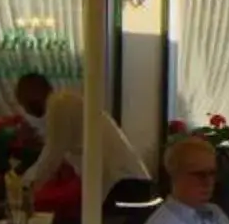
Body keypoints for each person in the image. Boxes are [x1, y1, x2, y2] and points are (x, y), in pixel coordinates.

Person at [26, 84, 151, 216]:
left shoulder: (59, 106)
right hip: (127, 184)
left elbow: (52, 156)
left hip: (124, 186)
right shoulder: (69, 105)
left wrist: (26, 186)